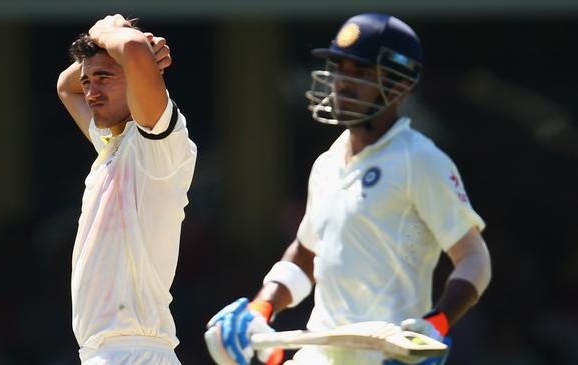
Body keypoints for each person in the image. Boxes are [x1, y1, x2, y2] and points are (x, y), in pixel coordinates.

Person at [204, 12, 491, 365]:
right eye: (340, 68)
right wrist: (262, 307)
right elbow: (306, 255)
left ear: (399, 85)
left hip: (387, 356)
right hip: (319, 355)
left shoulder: (419, 159)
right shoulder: (327, 164)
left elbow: (475, 259)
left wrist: (436, 324)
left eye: (360, 73)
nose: (342, 82)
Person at [56, 14, 197, 365]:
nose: (90, 91)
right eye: (88, 79)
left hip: (136, 352)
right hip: (105, 353)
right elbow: (65, 85)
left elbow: (131, 48)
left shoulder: (158, 146)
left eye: (104, 77)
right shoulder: (110, 145)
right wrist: (112, 48)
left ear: (136, 79)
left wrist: (112, 37)